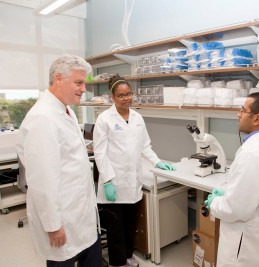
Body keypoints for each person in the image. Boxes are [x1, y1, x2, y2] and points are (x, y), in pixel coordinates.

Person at [16, 55, 101, 266]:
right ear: (58, 79)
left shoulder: (66, 110)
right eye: (79, 83)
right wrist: (53, 225)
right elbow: (43, 179)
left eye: (84, 83)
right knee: (62, 261)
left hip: (80, 214)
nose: (83, 89)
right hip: (63, 221)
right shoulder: (43, 118)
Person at [93, 76, 176, 267]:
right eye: (121, 95)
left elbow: (145, 146)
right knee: (116, 227)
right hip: (113, 182)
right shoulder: (104, 119)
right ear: (113, 97)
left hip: (133, 181)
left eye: (129, 94)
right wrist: (107, 181)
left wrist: (158, 162)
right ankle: (117, 261)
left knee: (131, 224)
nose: (126, 98)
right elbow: (100, 153)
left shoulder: (138, 117)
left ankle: (128, 254)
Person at [205, 92, 259, 267]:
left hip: (246, 241)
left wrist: (215, 203)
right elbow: (253, 189)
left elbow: (237, 210)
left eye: (243, 110)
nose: (238, 114)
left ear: (256, 118)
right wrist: (228, 192)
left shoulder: (253, 153)